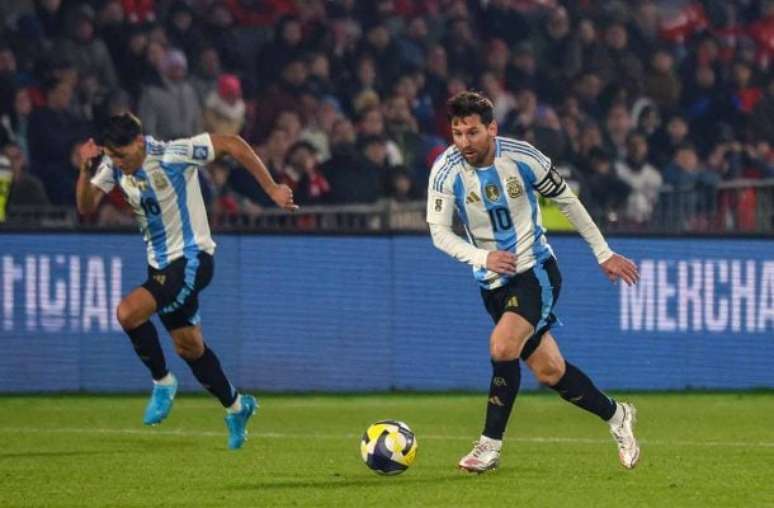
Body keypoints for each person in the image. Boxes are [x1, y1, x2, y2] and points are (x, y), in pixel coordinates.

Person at [426, 91, 641, 473]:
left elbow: (568, 201)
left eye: (472, 132)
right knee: (550, 371)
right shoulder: (445, 170)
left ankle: (489, 447)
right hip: (491, 282)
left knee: (502, 345)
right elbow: (439, 233)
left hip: (535, 272)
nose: (464, 142)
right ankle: (617, 414)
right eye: (457, 133)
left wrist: (603, 252)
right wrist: (483, 258)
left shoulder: (523, 158)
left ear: (492, 128)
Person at [75, 113, 297, 449]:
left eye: (121, 154)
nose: (118, 162)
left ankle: (163, 382)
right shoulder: (114, 166)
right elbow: (86, 206)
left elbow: (232, 144)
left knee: (128, 312)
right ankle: (237, 406)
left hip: (193, 258)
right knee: (189, 347)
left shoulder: (173, 154)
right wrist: (85, 170)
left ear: (139, 142)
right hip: (162, 268)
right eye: (111, 156)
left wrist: (272, 188)